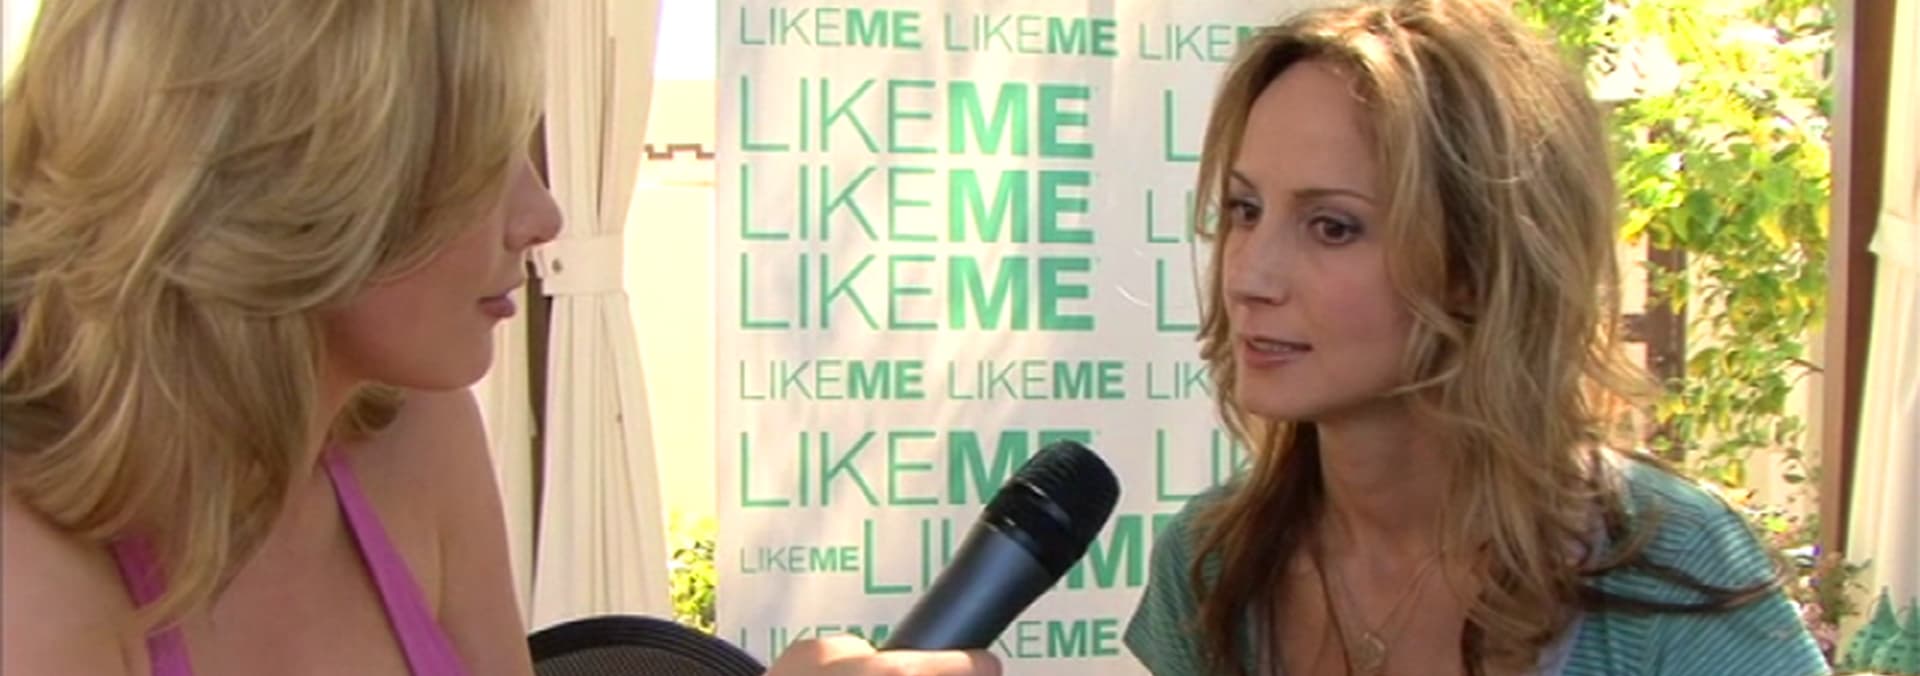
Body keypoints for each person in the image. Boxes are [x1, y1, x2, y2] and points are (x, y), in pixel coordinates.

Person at [0, 2, 999, 676]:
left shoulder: (412, 429)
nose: (543, 215)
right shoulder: (30, 573)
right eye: (486, 158)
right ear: (300, 178)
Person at [1123, 1, 1828, 675]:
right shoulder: (1212, 564)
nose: (1249, 276)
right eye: (1244, 209)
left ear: (1478, 263)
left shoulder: (1671, 568)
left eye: (1332, 227)